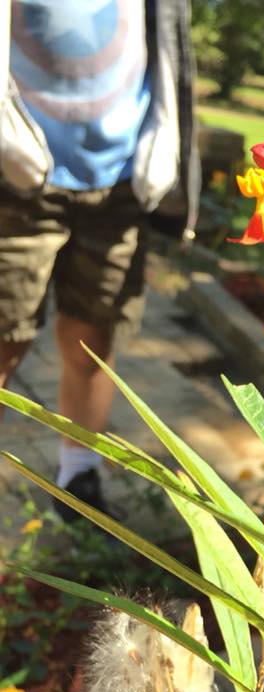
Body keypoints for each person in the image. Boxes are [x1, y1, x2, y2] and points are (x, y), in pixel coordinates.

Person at [0, 1, 199, 519]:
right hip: (15, 168)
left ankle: (78, 472)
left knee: (94, 334)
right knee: (4, 331)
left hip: (119, 176)